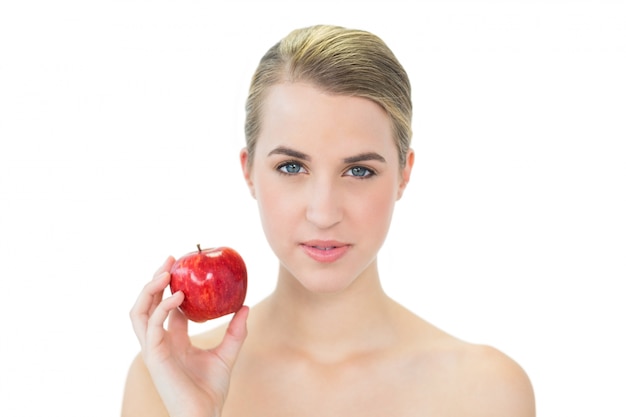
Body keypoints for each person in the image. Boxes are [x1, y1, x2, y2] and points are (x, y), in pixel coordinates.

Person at [122, 24, 536, 417]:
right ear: (249, 171)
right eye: (290, 167)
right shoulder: (164, 379)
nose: (323, 213)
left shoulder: (487, 391)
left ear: (404, 175)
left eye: (358, 171)